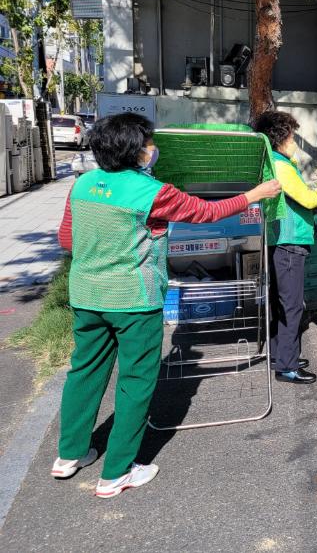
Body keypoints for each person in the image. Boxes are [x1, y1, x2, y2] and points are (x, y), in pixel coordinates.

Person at [53, 113, 281, 498]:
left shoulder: (83, 185)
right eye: (147, 143)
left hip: (87, 296)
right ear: (135, 150)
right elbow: (205, 212)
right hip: (133, 300)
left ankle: (69, 455)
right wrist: (254, 195)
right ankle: (116, 473)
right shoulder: (153, 192)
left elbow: (67, 240)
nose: (151, 149)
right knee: (136, 382)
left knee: (84, 371)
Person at [253, 111, 317, 385]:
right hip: (290, 243)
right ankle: (288, 367)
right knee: (292, 305)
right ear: (281, 138)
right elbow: (307, 199)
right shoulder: (282, 166)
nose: (295, 141)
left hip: (279, 241)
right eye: (293, 136)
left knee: (280, 303)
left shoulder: (273, 162)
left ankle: (281, 355)